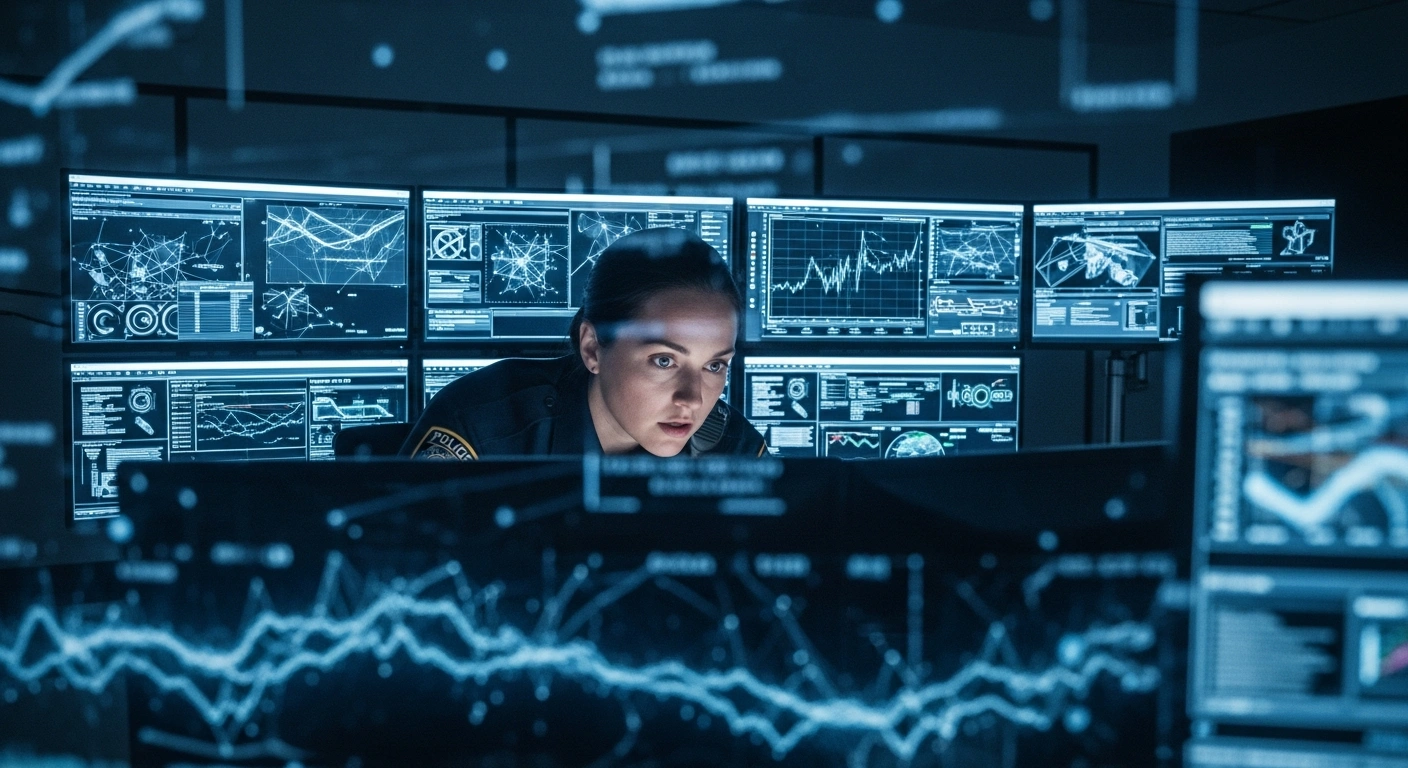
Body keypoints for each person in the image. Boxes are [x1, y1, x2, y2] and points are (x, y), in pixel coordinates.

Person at [400, 227, 766, 459]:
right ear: (592, 348)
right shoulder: (482, 430)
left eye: (714, 365)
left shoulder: (733, 449)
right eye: (664, 361)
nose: (694, 399)